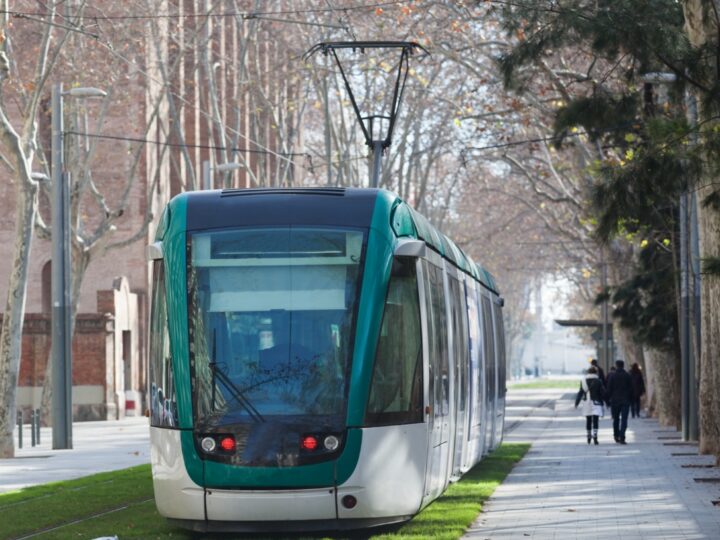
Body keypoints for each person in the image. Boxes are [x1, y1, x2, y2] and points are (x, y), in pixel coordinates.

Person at [574, 366, 605, 445]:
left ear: (588, 372)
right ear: (596, 372)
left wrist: (576, 403)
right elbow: (602, 393)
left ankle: (588, 436)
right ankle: (595, 436)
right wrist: (607, 402)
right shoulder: (598, 381)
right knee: (595, 420)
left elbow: (580, 392)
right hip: (596, 403)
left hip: (586, 402)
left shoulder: (583, 381)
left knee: (588, 420)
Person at [605, 359, 634, 444]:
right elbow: (631, 389)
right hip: (625, 400)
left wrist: (607, 400)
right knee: (624, 419)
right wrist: (631, 400)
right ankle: (622, 436)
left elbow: (609, 389)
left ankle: (616, 435)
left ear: (616, 365)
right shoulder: (627, 376)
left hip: (615, 401)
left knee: (616, 419)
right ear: (623, 365)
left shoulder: (612, 376)